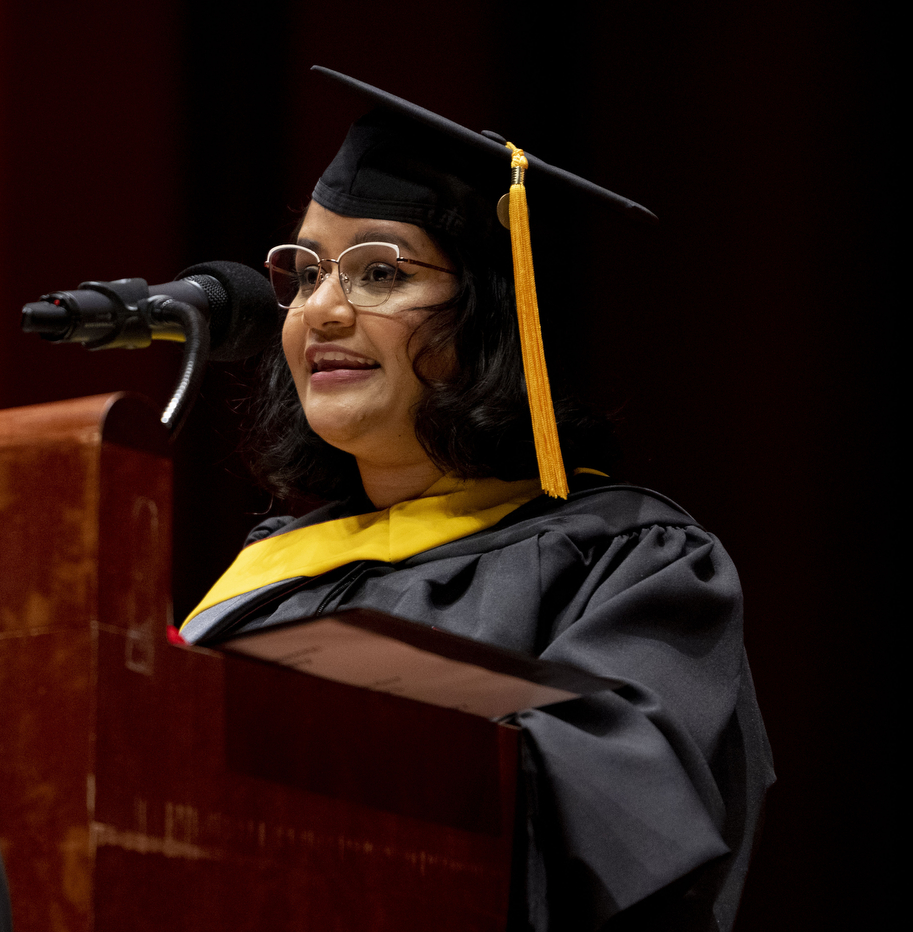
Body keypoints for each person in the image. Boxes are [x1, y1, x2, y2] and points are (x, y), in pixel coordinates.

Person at [180, 69, 773, 932]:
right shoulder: (266, 577)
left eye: (378, 273)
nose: (324, 310)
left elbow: (627, 827)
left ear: (491, 315)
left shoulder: (629, 565)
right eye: (305, 272)